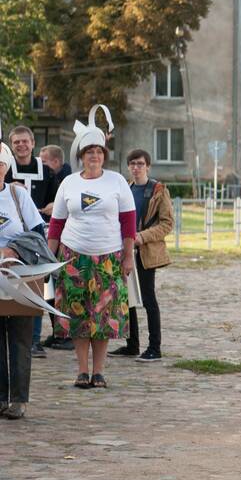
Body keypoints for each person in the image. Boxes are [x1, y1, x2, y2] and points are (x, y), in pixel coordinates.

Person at [47, 106, 135, 390]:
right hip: (73, 256)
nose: (94, 156)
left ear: (103, 155)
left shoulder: (117, 181)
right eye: (89, 152)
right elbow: (57, 224)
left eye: (98, 151)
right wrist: (50, 258)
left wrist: (128, 256)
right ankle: (82, 371)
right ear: (81, 156)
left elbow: (128, 223)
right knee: (78, 315)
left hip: (108, 257)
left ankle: (99, 371)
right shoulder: (69, 183)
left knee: (103, 317)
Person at [108, 149, 173, 362]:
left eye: (140, 164)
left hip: (145, 252)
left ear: (148, 166)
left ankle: (155, 347)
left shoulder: (158, 190)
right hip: (123, 249)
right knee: (127, 299)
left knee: (148, 299)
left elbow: (167, 223)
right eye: (132, 164)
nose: (136, 167)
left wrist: (142, 237)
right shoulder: (124, 188)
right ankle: (132, 344)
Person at [0, 141, 47, 420]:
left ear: (5, 169)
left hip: (19, 277)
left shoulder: (18, 196)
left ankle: (18, 399)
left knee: (19, 339)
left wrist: (12, 250)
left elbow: (38, 235)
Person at [6, 126, 59, 359]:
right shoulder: (5, 168)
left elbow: (59, 199)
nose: (21, 145)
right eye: (16, 142)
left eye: (24, 141)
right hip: (11, 239)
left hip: (39, 234)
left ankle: (35, 340)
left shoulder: (47, 172)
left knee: (38, 288)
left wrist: (52, 206)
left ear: (33, 142)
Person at [37, 144, 73, 352]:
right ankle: (57, 331)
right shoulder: (49, 178)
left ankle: (66, 333)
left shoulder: (65, 181)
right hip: (49, 241)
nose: (41, 166)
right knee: (47, 288)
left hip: (62, 244)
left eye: (44, 162)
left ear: (56, 162)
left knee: (61, 290)